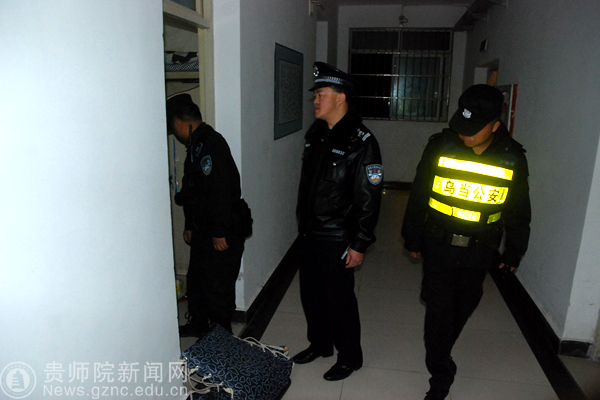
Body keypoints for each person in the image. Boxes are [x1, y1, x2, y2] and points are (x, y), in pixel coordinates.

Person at [401, 84, 531, 400]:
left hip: (480, 249)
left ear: (495, 126)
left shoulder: (512, 157)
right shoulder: (440, 146)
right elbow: (419, 193)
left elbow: (518, 209)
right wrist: (412, 237)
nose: (465, 134)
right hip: (438, 243)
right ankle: (440, 374)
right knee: (438, 313)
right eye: (462, 124)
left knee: (464, 305)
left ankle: (441, 347)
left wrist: (514, 251)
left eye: (474, 129)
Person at [293, 62, 383, 381]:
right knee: (311, 295)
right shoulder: (316, 134)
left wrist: (359, 243)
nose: (315, 100)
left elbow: (369, 198)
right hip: (309, 232)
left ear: (341, 98)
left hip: (337, 236)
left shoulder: (362, 141)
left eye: (322, 94)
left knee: (339, 300)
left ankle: (350, 356)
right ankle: (320, 344)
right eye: (315, 95)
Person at [166, 94, 246, 336]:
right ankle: (198, 324)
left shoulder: (211, 144)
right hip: (203, 229)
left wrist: (220, 231)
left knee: (218, 288)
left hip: (221, 229)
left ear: (178, 122)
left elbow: (222, 190)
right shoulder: (196, 145)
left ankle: (221, 337)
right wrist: (190, 224)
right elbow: (194, 191)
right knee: (197, 281)